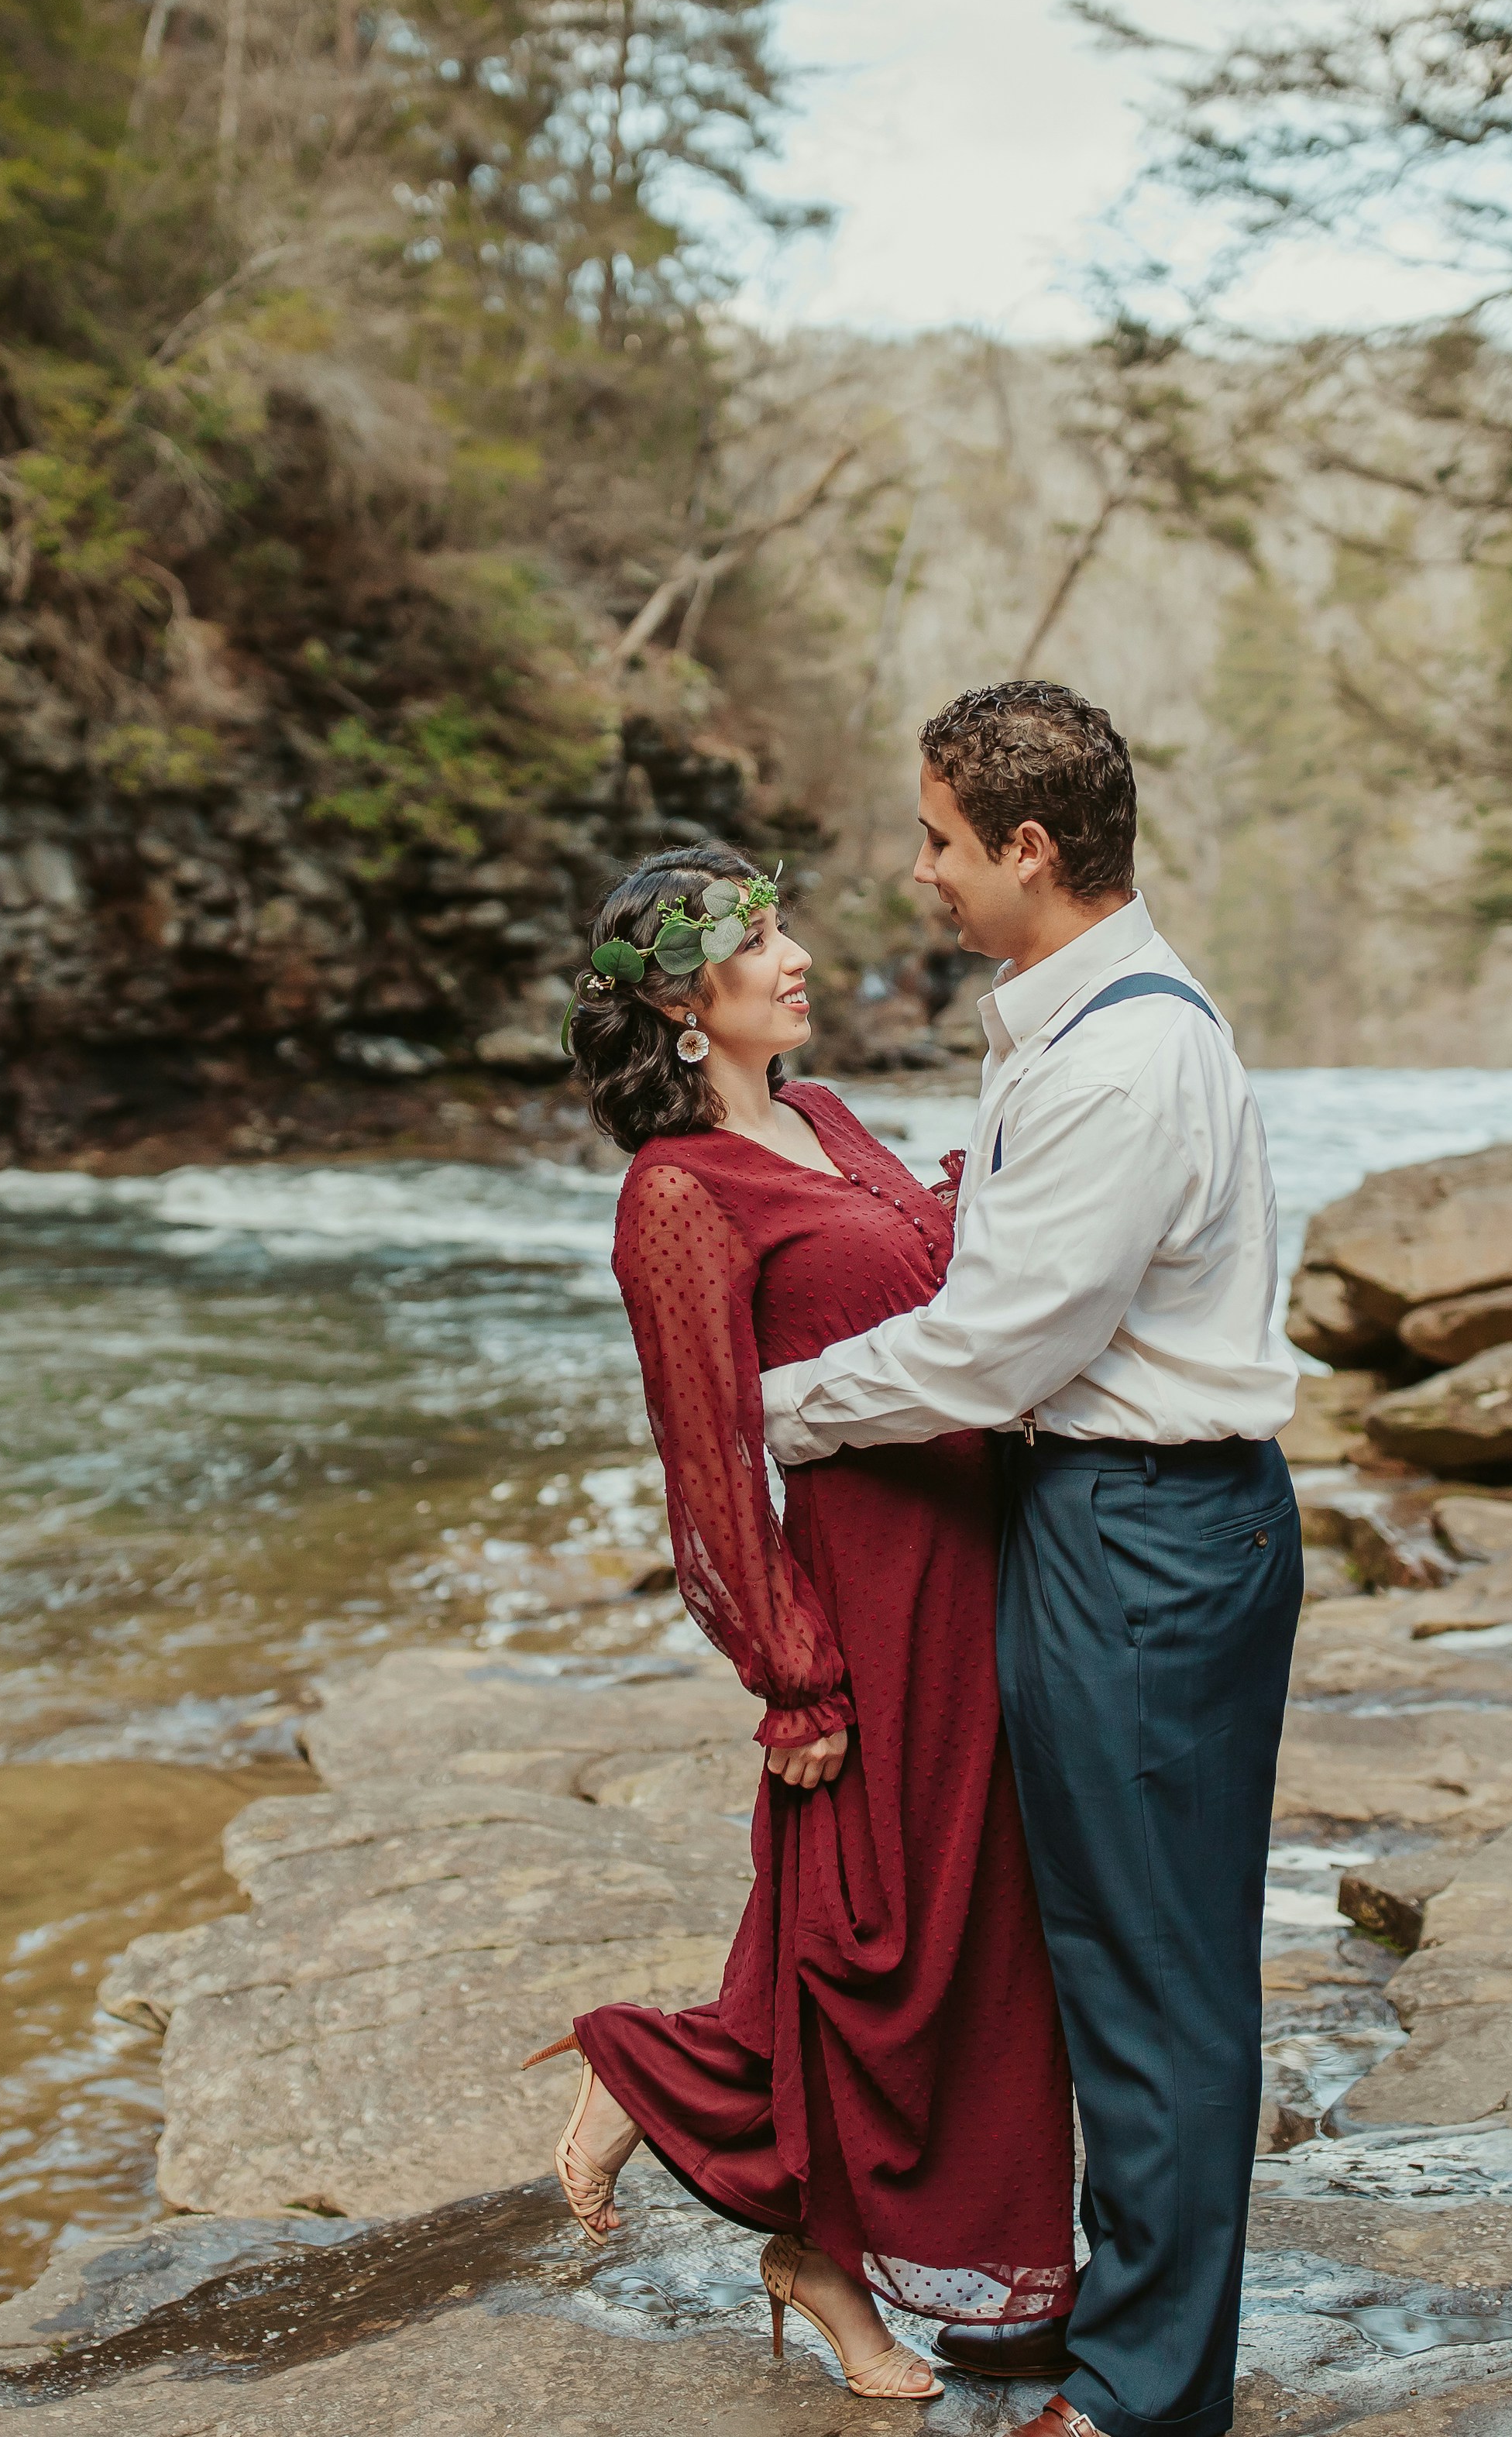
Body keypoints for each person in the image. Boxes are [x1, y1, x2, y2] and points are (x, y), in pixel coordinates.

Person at [761, 681, 1305, 2437]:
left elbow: (997, 1353)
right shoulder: (1070, 1025)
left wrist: (777, 1406)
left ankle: (1145, 2401)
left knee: (1154, 1984)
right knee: (1106, 1954)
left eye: (936, 840)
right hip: (1112, 1520)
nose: (918, 875)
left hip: (1146, 1532)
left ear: (1030, 849)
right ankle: (1112, 2328)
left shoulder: (1130, 1056)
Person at [525, 841, 1078, 2401]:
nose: (800, 957)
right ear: (689, 1005)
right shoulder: (677, 1195)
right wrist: (792, 1674)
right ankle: (682, 2103)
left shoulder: (831, 1119)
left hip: (986, 1555)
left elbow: (935, 1282)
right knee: (875, 1928)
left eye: (783, 929)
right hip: (870, 1588)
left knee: (977, 1919)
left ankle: (846, 2247)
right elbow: (707, 1457)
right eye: (759, 943)